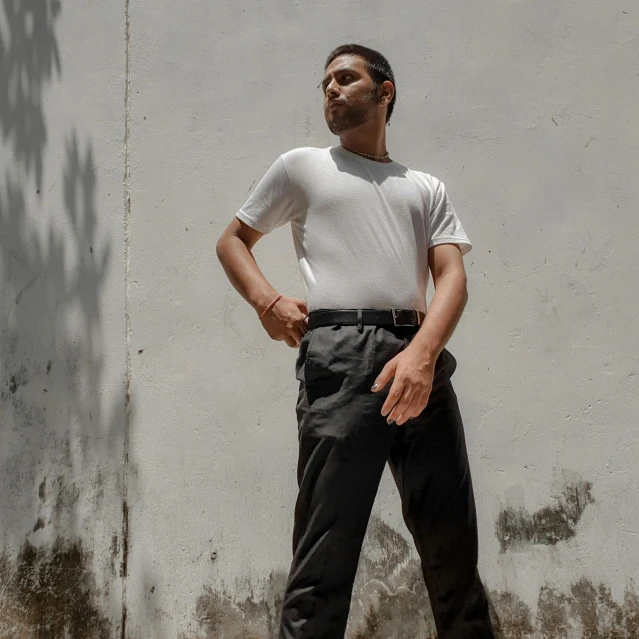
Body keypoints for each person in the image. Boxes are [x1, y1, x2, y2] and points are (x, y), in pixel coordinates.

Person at [216, 43, 495, 639]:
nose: (331, 91)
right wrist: (268, 301)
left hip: (420, 359)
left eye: (345, 79)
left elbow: (452, 278)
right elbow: (232, 241)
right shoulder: (302, 167)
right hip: (340, 355)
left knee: (453, 548)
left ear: (384, 91)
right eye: (324, 84)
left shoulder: (424, 186)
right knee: (325, 550)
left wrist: (421, 353)